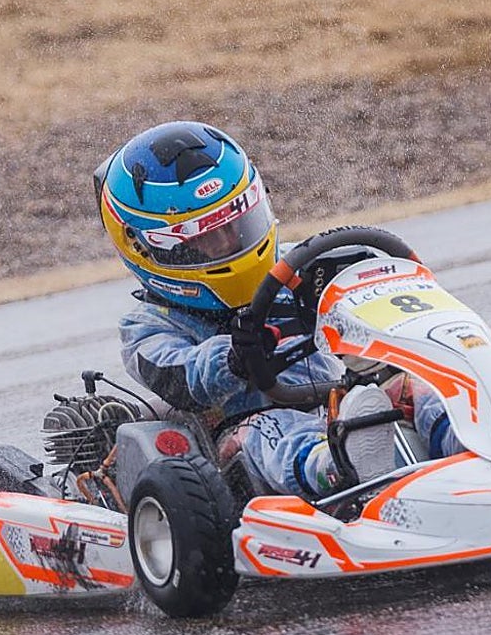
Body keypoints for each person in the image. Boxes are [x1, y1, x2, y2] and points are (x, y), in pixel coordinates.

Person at [93, 121, 460, 499]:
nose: (227, 243)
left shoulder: (304, 268)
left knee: (416, 389)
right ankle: (331, 468)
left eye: (236, 225)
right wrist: (233, 358)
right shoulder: (146, 327)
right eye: (203, 238)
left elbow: (365, 301)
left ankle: (469, 443)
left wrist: (371, 289)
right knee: (269, 430)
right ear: (145, 248)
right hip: (240, 446)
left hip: (345, 403)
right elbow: (184, 380)